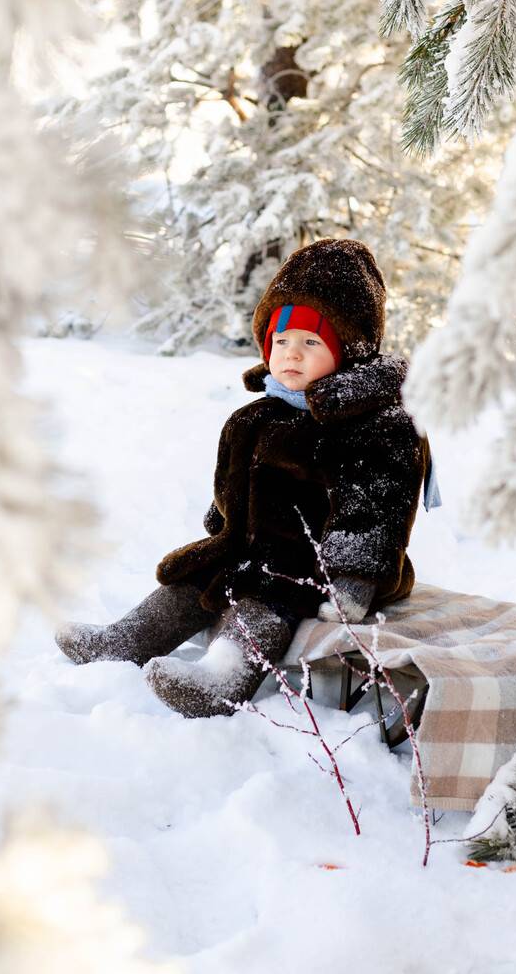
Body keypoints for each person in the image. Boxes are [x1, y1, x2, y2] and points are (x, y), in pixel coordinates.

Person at [55, 237, 432, 717]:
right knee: (191, 581)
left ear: (350, 347)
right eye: (281, 341)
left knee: (264, 601)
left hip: (312, 564)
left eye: (311, 342)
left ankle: (222, 679)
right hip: (250, 546)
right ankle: (123, 641)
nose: (292, 354)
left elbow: (377, 507)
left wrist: (354, 579)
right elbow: (232, 482)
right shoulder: (257, 415)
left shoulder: (376, 424)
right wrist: (222, 525)